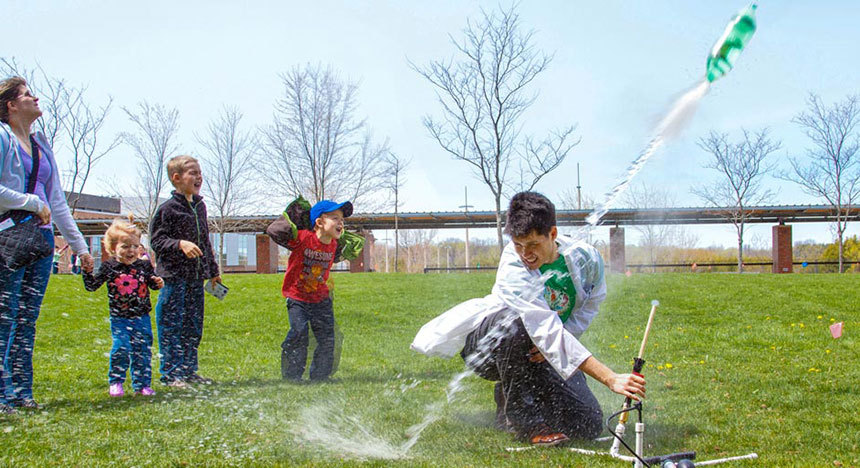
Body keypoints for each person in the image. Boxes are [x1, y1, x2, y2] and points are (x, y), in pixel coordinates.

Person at [412, 192, 646, 446]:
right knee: (515, 323)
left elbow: (588, 306)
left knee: (586, 423)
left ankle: (512, 397)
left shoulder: (587, 259)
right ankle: (527, 422)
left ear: (553, 234)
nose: (526, 254)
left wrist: (554, 350)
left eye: (533, 245)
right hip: (491, 346)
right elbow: (544, 330)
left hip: (542, 349)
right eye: (519, 244)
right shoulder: (513, 264)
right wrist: (610, 377)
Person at [0, 77, 94, 413]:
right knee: (4, 317)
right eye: (26, 95)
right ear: (11, 105)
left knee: (27, 319)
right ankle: (1, 395)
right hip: (8, 237)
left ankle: (22, 393)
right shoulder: (2, 138)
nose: (35, 98)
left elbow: (55, 201)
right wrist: (29, 202)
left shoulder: (41, 144)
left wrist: (80, 247)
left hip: (39, 242)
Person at [150, 155, 220, 388]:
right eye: (193, 173)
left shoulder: (200, 206)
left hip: (196, 278)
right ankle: (171, 374)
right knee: (172, 325)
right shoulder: (168, 209)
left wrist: (213, 271)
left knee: (192, 326)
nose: (199, 177)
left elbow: (205, 241)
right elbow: (157, 241)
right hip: (174, 278)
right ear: (177, 178)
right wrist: (179, 244)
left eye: (199, 172)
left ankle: (189, 371)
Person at [267, 199, 353, 382]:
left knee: (327, 338)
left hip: (320, 299)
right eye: (335, 218)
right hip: (297, 297)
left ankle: (320, 376)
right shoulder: (304, 237)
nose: (341, 223)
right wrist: (294, 216)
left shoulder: (335, 244)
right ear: (319, 223)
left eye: (342, 220)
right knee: (299, 333)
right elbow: (273, 231)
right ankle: (292, 376)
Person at [83, 219, 163, 397]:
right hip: (120, 318)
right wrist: (87, 272)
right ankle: (116, 381)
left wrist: (158, 282)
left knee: (142, 350)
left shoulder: (143, 265)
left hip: (142, 317)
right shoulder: (109, 267)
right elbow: (92, 286)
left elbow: (153, 283)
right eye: (125, 246)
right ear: (112, 248)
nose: (131, 251)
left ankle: (142, 384)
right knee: (122, 347)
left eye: (135, 246)